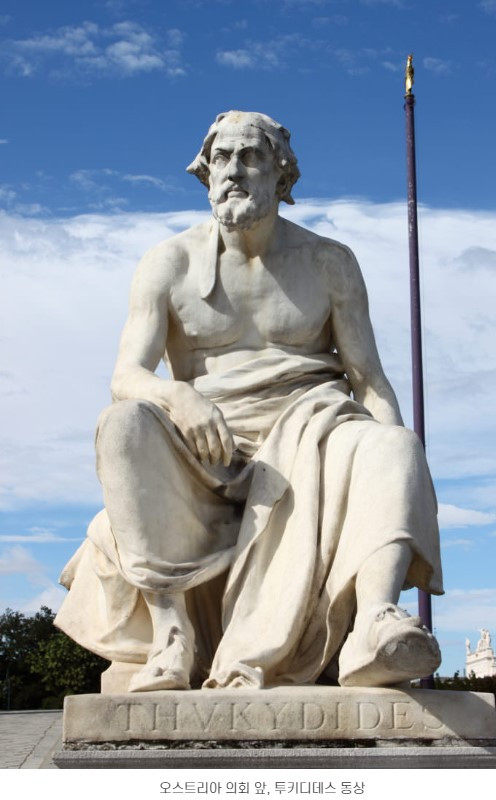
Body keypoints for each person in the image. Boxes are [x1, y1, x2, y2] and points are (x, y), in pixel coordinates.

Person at [55, 111, 443, 692]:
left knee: (396, 445)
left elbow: (368, 381)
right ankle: (171, 635)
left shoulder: (329, 262)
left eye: (250, 156)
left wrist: (398, 465)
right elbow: (126, 375)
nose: (233, 170)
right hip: (205, 444)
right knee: (123, 424)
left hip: (311, 430)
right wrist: (176, 396)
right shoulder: (169, 262)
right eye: (221, 158)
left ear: (281, 176)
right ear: (205, 172)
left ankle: (373, 622)